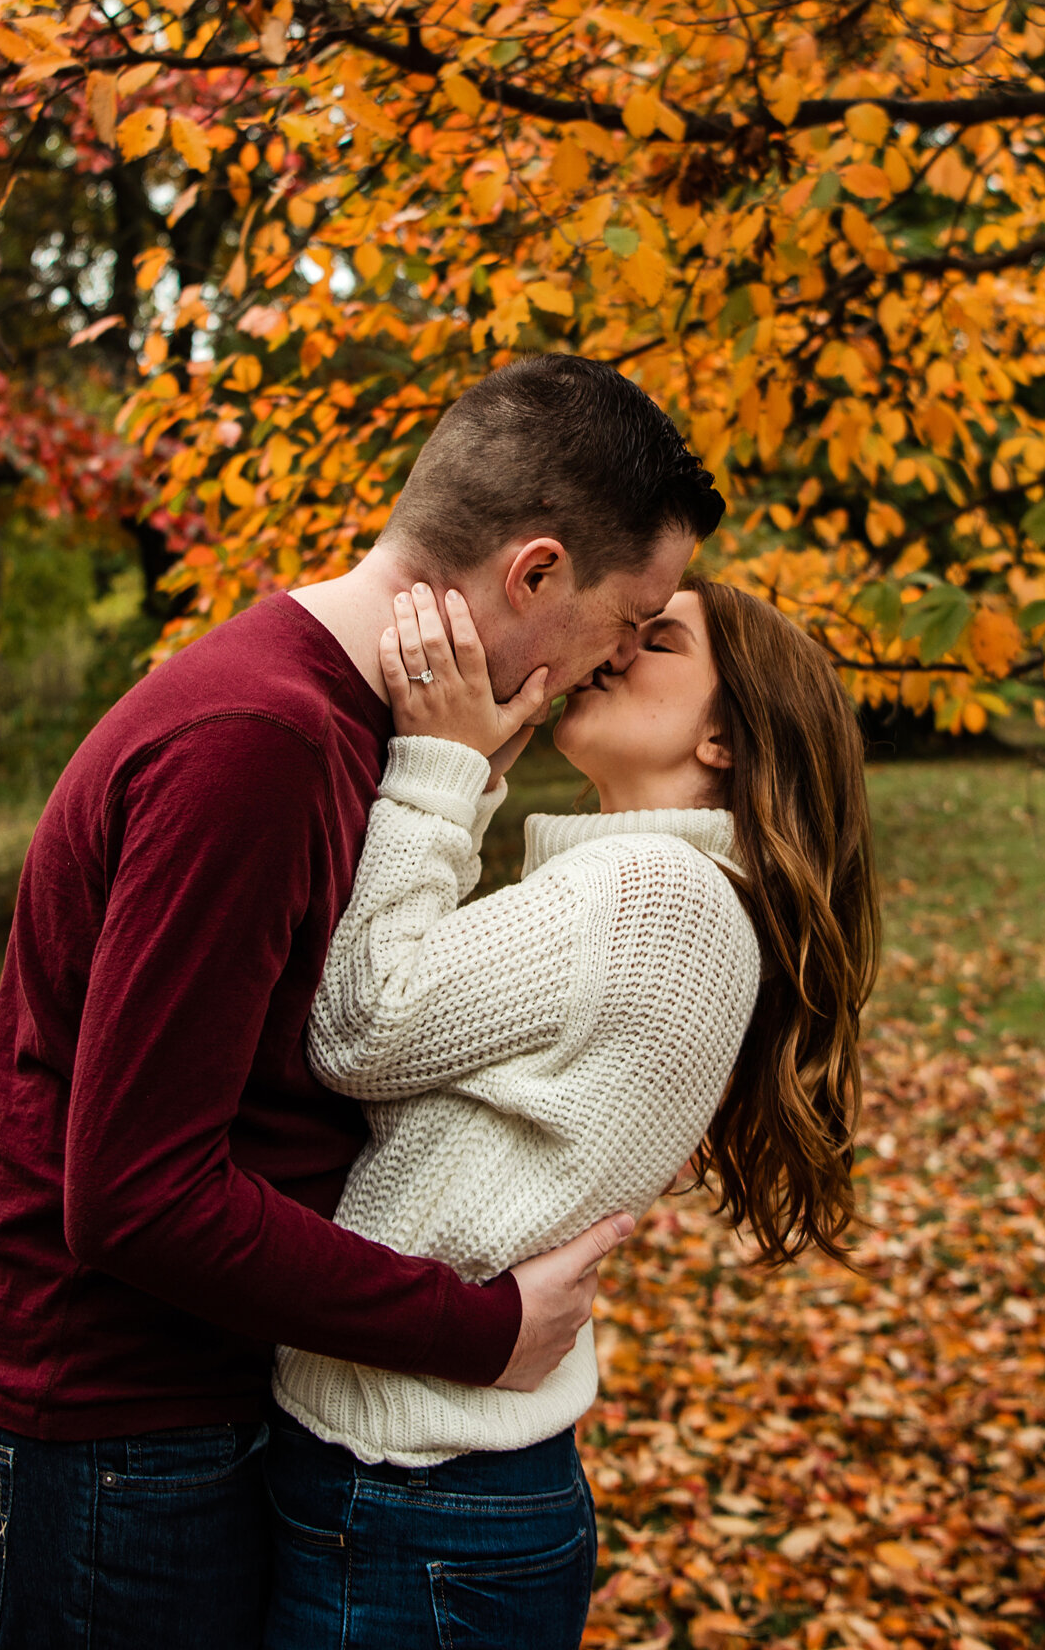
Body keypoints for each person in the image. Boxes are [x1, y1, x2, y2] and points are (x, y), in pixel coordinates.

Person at [0, 355, 725, 1648]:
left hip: (196, 1404)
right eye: (632, 616)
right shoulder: (260, 743)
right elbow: (133, 1194)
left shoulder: (361, 730)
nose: (622, 655)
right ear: (534, 575)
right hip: (103, 1419)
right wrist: (473, 1328)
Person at [263, 576, 880, 1650]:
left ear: (726, 736)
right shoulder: (662, 888)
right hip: (428, 1482)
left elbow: (360, 1023)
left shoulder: (651, 894)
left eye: (659, 640)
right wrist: (479, 775)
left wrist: (443, 769)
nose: (612, 649)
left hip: (420, 1498)